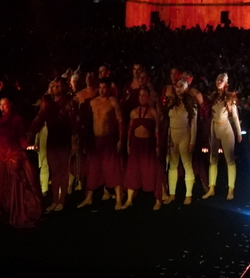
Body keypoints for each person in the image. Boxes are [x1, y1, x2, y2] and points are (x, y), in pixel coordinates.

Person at [0, 97, 42, 228]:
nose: (2, 107)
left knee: (15, 184)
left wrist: (29, 146)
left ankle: (14, 210)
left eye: (5, 104)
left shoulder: (17, 119)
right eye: (0, 104)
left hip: (12, 154)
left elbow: (21, 138)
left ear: (10, 105)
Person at [77, 78, 124, 209]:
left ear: (109, 88)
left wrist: (120, 139)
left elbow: (120, 121)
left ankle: (119, 200)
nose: (102, 90)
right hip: (95, 141)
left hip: (108, 140)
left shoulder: (113, 102)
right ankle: (89, 198)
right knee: (93, 168)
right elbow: (86, 123)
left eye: (105, 88)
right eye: (101, 88)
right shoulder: (92, 102)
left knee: (112, 167)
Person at [29, 77, 74, 212]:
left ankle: (62, 200)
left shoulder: (68, 103)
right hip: (52, 140)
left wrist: (76, 138)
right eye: (55, 86)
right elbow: (39, 119)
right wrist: (31, 133)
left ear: (65, 88)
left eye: (59, 86)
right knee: (54, 172)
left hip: (64, 140)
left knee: (63, 170)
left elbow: (74, 122)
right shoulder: (48, 104)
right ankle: (55, 200)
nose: (56, 88)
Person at [202, 72, 242, 201]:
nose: (219, 81)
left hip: (225, 129)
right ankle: (211, 188)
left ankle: (231, 189)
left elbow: (235, 116)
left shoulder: (229, 97)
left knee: (229, 160)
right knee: (212, 159)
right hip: (214, 128)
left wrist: (239, 132)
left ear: (226, 83)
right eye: (218, 79)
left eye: (222, 79)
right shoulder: (212, 97)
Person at [121, 87, 163, 210]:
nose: (142, 97)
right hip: (135, 144)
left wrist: (158, 146)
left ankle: (158, 199)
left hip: (148, 145)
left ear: (149, 97)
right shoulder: (133, 112)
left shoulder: (153, 112)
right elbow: (130, 130)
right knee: (132, 170)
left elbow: (157, 131)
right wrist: (128, 144)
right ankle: (129, 199)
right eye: (140, 95)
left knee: (152, 170)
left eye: (144, 95)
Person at [163, 78, 197, 205]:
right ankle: (172, 194)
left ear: (186, 88)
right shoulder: (171, 102)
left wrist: (192, 141)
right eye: (177, 86)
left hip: (185, 135)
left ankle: (188, 194)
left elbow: (194, 124)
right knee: (172, 165)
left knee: (187, 164)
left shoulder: (191, 103)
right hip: (172, 135)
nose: (178, 88)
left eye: (181, 86)